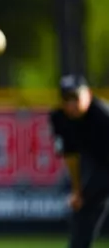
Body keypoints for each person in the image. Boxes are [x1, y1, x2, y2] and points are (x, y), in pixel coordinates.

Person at [49, 74, 109, 248]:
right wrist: (77, 191)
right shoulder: (60, 118)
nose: (71, 104)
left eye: (75, 97)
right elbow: (71, 155)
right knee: (82, 211)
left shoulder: (103, 116)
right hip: (99, 164)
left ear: (88, 94)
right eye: (66, 98)